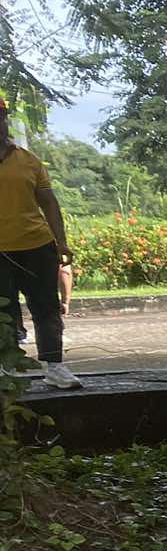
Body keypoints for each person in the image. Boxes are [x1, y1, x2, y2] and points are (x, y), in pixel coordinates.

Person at [0, 89, 79, 389]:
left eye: (0, 118)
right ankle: (6, 371)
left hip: (37, 246)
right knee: (3, 314)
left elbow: (49, 204)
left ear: (5, 120)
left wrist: (62, 242)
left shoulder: (29, 162)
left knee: (46, 309)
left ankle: (55, 368)